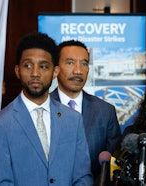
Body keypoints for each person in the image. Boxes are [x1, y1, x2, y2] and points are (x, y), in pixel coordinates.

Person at [0, 32, 93, 185]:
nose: (35, 73)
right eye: (28, 65)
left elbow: (83, 177)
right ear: (17, 71)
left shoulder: (73, 120)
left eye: (43, 66)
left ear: (55, 72)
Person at [50, 40, 121, 185]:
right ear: (55, 69)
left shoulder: (105, 112)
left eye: (84, 63)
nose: (78, 70)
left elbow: (113, 166)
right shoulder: (41, 108)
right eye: (70, 63)